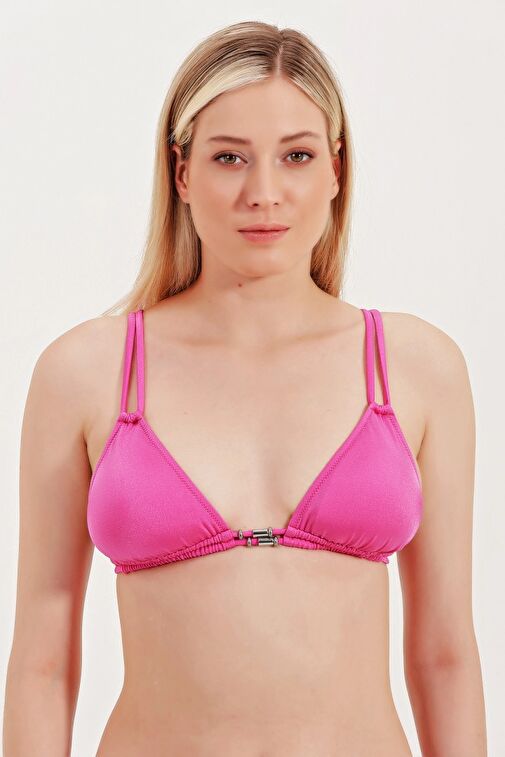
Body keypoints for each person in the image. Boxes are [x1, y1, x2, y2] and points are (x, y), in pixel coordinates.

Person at [3, 20, 487, 757]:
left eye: (296, 155)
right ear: (182, 174)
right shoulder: (85, 373)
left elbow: (444, 654)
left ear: (335, 170)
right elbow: (42, 659)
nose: (264, 193)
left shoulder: (417, 368)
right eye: (229, 157)